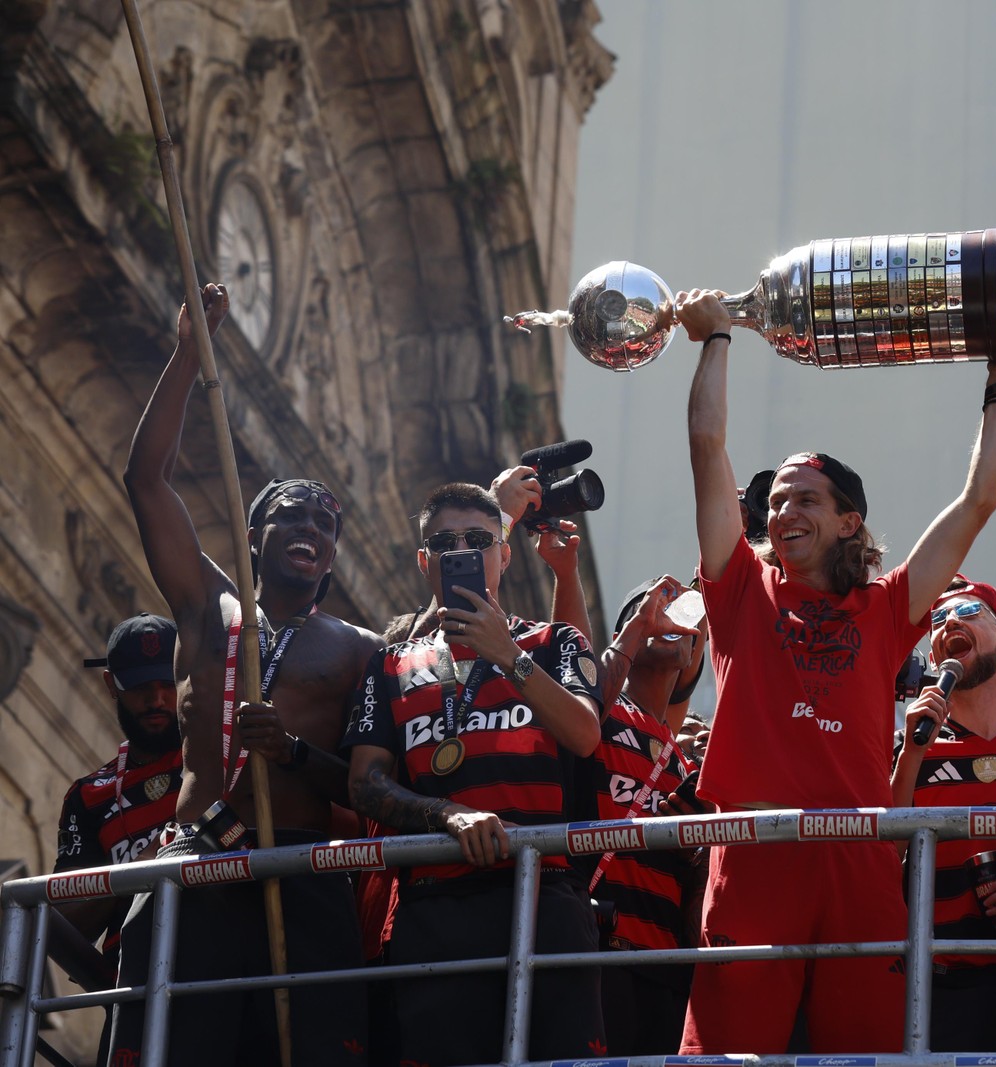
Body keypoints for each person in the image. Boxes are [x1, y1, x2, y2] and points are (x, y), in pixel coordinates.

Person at [675, 287, 996, 1052]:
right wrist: (716, 341)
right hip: (755, 844)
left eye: (805, 499)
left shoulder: (891, 604)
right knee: (731, 1053)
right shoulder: (738, 585)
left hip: (861, 853)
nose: (782, 514)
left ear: (849, 521)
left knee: (864, 1052)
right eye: (774, 503)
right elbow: (707, 445)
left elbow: (979, 501)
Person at [112, 283, 378, 1065]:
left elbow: (371, 784)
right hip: (200, 859)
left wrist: (294, 752)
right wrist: (189, 355)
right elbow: (146, 480)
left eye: (325, 523)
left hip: (306, 875)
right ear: (256, 533)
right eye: (293, 515)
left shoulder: (360, 649)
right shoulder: (207, 606)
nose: (311, 529)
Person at [344, 481, 605, 1063]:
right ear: (424, 561)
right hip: (436, 905)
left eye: (478, 540)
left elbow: (584, 735)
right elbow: (364, 784)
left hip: (547, 900)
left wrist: (506, 655)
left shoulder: (554, 642)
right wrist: (446, 815)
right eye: (442, 542)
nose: (459, 551)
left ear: (504, 553)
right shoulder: (388, 664)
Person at [891, 576, 996, 1052]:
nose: (949, 620)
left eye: (969, 611)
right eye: (936, 619)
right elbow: (882, 854)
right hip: (940, 983)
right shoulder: (908, 745)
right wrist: (911, 756)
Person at [575, 576, 705, 1054]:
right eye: (652, 607)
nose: (670, 616)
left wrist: (694, 851)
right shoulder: (595, 714)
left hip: (664, 965)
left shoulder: (686, 765)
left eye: (683, 615)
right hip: (593, 952)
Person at [55, 614, 183, 1061]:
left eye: (168, 682)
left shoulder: (220, 760)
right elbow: (65, 922)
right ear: (112, 685)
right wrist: (136, 870)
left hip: (224, 966)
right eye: (140, 686)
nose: (157, 699)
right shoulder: (87, 797)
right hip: (133, 988)